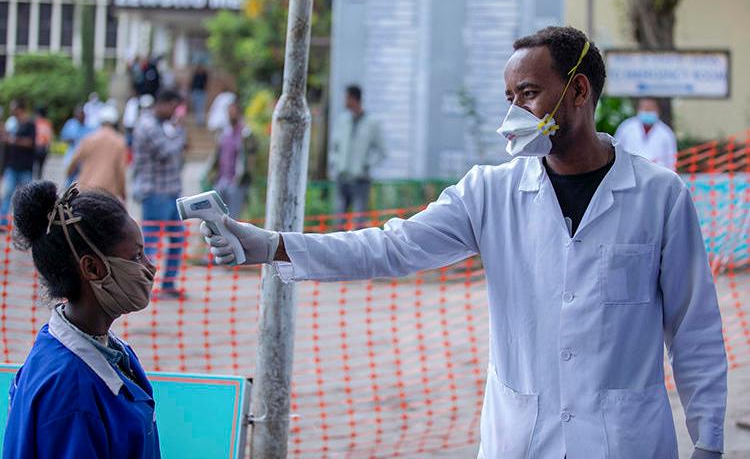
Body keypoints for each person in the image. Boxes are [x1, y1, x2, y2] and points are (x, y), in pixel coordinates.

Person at [203, 27, 726, 459]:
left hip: (624, 442)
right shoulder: (489, 192)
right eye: (509, 97)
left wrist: (709, 443)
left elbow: (694, 329)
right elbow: (390, 247)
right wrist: (270, 244)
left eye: (529, 93)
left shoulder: (659, 197)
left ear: (579, 90)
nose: (515, 111)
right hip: (523, 439)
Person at [3, 181, 160, 458]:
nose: (150, 266)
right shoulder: (71, 394)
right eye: (136, 256)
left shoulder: (110, 351)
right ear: (92, 267)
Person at [132, 90, 186, 299]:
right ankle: (144, 286)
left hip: (171, 191)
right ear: (163, 104)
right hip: (155, 192)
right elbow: (167, 151)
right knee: (151, 242)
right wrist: (180, 132)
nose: (174, 113)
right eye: (173, 107)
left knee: (178, 239)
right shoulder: (147, 126)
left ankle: (169, 283)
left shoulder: (161, 126)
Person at [329, 85, 386, 218]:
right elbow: (335, 146)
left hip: (361, 180)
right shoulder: (342, 120)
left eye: (347, 98)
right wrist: (335, 163)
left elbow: (382, 151)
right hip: (342, 177)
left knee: (358, 222)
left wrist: (367, 165)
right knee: (339, 221)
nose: (344, 101)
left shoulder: (372, 123)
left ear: (354, 99)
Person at [203, 100, 256, 217]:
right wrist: (212, 174)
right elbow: (217, 154)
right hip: (221, 179)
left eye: (233, 112)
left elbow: (250, 157)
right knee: (217, 214)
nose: (231, 115)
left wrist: (245, 178)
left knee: (232, 217)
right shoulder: (224, 132)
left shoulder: (245, 133)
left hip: (236, 181)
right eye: (229, 112)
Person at [66, 105, 128, 201]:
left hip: (85, 188)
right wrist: (123, 193)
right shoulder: (119, 142)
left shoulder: (89, 139)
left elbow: (73, 163)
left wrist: (70, 176)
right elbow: (120, 171)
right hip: (107, 193)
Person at [614, 97, 677, 170]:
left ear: (658, 110)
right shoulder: (625, 128)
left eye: (650, 109)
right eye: (645, 108)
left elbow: (672, 161)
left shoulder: (666, 133)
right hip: (629, 173)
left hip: (658, 175)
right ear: (638, 109)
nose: (647, 111)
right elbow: (616, 153)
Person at [1, 99, 36, 222]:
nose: (12, 111)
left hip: (25, 166)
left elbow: (31, 142)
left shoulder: (30, 123)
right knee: (7, 195)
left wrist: (13, 140)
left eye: (14, 108)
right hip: (12, 165)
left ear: (20, 109)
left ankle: (23, 222)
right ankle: (3, 222)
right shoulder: (12, 123)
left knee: (25, 197)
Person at [60, 105, 95, 185]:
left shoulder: (89, 127)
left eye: (82, 115)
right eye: (78, 115)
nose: (80, 117)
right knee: (69, 179)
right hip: (71, 156)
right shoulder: (70, 124)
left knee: (82, 180)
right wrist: (71, 139)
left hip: (83, 159)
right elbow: (63, 137)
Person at [33, 106, 53, 180]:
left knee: (33, 168)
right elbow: (49, 137)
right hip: (43, 148)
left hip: (35, 147)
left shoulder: (35, 122)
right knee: (40, 169)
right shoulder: (48, 123)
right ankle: (38, 183)